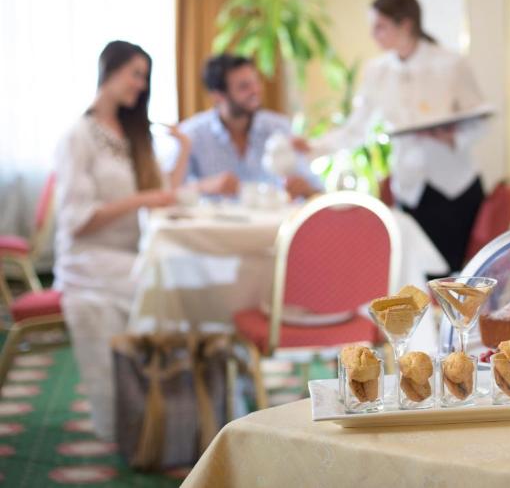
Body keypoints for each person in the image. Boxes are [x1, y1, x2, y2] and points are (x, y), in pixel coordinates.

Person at [54, 40, 190, 440]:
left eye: (144, 77)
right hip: (88, 257)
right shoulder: (77, 137)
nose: (140, 84)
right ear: (109, 70)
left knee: (177, 281)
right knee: (162, 289)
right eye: (135, 73)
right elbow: (76, 221)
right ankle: (138, 416)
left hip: (129, 254)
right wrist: (142, 199)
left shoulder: (133, 134)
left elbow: (164, 193)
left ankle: (172, 410)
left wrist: (184, 150)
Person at [302, 0, 487, 272]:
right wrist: (313, 148)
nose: (373, 35)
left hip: (454, 189)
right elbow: (356, 128)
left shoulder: (450, 64)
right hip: (409, 188)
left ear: (406, 25)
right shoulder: (377, 71)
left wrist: (450, 136)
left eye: (380, 27)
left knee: (449, 279)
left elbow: (479, 120)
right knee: (412, 275)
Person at [177, 54, 321, 200]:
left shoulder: (278, 128)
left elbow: (317, 191)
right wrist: (205, 186)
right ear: (218, 95)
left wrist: (304, 189)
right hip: (214, 222)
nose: (256, 91)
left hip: (272, 221)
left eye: (256, 82)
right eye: (244, 87)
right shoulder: (192, 134)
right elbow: (172, 191)